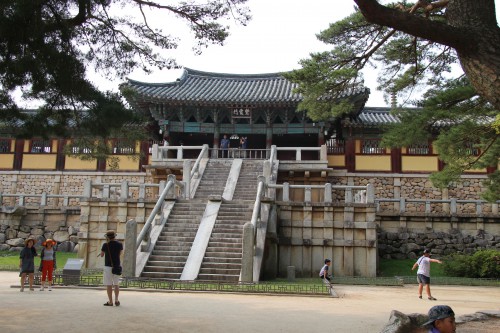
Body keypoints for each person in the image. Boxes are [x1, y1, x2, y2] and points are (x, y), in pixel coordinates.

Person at [98, 230, 123, 306]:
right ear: (114, 236)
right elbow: (120, 254)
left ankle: (110, 301)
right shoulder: (119, 244)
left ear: (107, 237)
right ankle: (116, 299)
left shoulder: (105, 245)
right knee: (116, 284)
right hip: (117, 266)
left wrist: (103, 251)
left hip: (108, 266)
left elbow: (102, 255)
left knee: (109, 284)